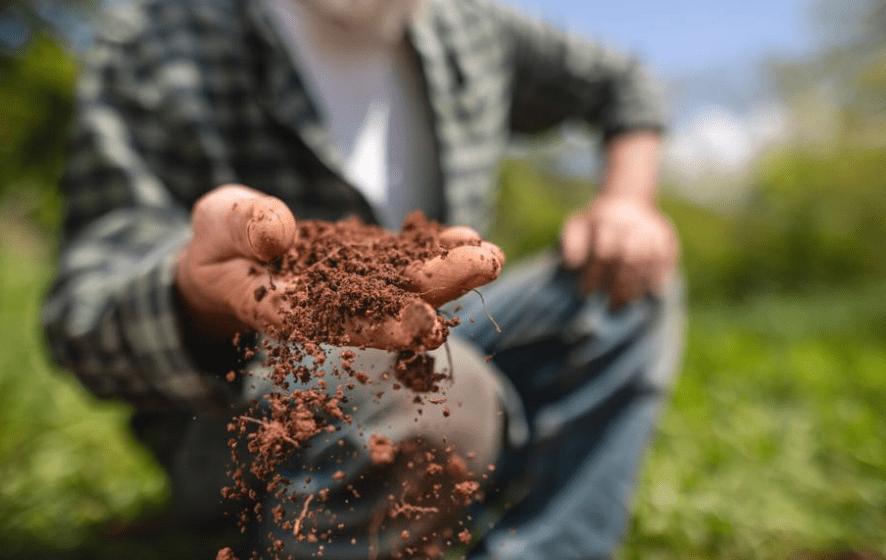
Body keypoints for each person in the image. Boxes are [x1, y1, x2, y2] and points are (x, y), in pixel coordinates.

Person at [42, 0, 685, 558]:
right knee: (442, 396)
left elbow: (624, 82)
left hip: (442, 333)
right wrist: (201, 298)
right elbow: (84, 310)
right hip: (243, 398)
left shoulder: (464, 25)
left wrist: (627, 202)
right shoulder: (159, 42)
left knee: (627, 281)